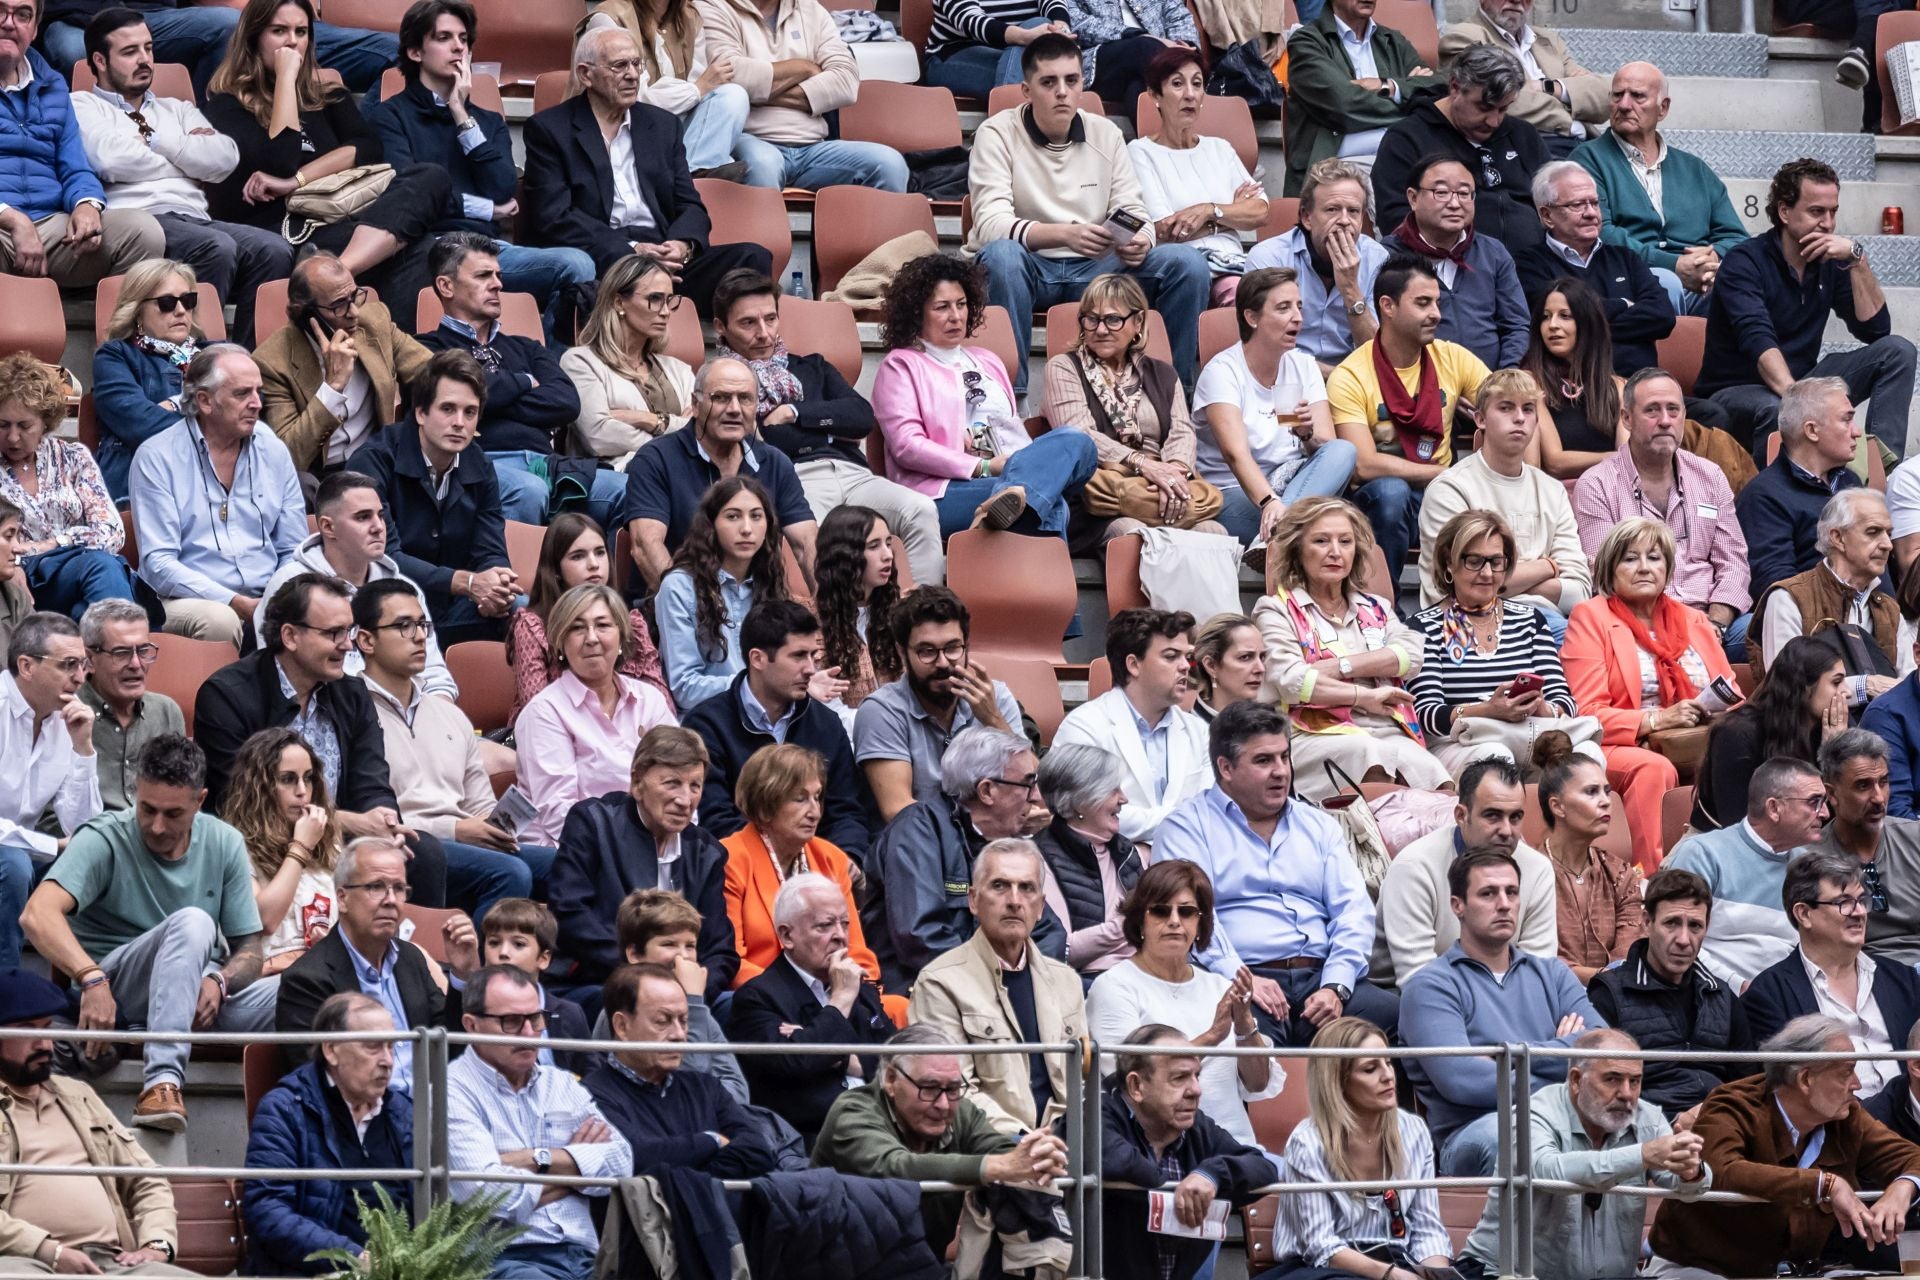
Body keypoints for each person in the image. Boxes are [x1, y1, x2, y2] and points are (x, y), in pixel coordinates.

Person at [196, 572, 530, 919]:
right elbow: (244, 804)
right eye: (333, 634)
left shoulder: (349, 692)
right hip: (266, 841)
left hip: (342, 840)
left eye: (349, 631)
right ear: (290, 636)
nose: (347, 644)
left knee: (422, 852)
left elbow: (371, 778)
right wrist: (351, 822)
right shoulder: (228, 695)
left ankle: (411, 961)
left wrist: (384, 818)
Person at [20, 735, 274, 1132]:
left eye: (172, 814)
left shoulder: (225, 842)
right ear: (136, 793)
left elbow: (251, 949)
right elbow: (37, 915)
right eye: (147, 809)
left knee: (311, 992)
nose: (156, 826)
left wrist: (220, 981)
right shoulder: (104, 836)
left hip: (197, 997)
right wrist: (91, 977)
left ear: (200, 800)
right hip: (119, 988)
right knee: (196, 923)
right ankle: (162, 1084)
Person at [966, 34, 1209, 393]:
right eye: (1049, 82)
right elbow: (989, 225)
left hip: (1097, 268)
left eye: (1071, 81)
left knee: (1186, 263)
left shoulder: (1105, 132)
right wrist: (1065, 234)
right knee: (1001, 256)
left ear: (1082, 83)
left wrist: (1140, 240)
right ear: (1026, 89)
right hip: (1029, 268)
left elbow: (1133, 210)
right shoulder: (996, 133)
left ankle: (1174, 395)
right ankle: (1010, 398)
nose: (1062, 92)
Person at [1156, 699, 1401, 1041]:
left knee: (1404, 1018)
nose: (1281, 771)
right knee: (1247, 1042)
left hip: (1322, 980)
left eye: (1284, 757)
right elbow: (1186, 919)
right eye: (1263, 760)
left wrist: (1337, 985)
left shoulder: (1318, 825)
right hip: (1240, 980)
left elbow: (1353, 912)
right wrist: (1242, 979)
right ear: (1225, 768)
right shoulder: (1185, 829)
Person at [202, 0, 449, 334]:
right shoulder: (227, 106)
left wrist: (295, 181)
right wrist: (287, 79)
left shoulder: (329, 97)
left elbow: (367, 149)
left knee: (431, 176)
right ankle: (390, 362)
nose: (292, 42)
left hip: (345, 222)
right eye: (279, 31)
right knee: (419, 247)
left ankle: (335, 273)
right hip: (287, 231)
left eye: (301, 32)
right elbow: (281, 156)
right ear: (253, 39)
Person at [364, 0, 597, 322]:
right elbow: (410, 197)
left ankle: (543, 362)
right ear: (416, 52)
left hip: (488, 247)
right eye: (444, 38)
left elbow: (502, 188)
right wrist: (486, 209)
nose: (458, 47)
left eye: (463, 39)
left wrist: (461, 115)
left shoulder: (485, 121)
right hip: (429, 247)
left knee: (578, 265)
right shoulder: (389, 117)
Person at [710, 270, 944, 588]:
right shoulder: (722, 382)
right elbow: (766, 440)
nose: (764, 334)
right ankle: (838, 626)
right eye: (748, 323)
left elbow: (861, 417)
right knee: (813, 538)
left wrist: (795, 412)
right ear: (721, 327)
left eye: (770, 319)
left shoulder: (812, 366)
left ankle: (920, 616)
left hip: (854, 474)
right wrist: (830, 428)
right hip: (793, 479)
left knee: (920, 509)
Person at [73, 8, 291, 348]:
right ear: (100, 61)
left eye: (148, 48)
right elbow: (110, 159)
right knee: (216, 248)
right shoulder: (82, 105)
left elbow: (224, 158)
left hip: (194, 217)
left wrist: (154, 141)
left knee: (274, 250)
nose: (145, 59)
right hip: (140, 220)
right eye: (130, 52)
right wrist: (189, 156)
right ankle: (197, 366)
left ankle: (245, 363)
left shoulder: (176, 108)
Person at [520, 24, 774, 315]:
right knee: (613, 267)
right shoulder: (550, 129)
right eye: (619, 66)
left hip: (664, 252)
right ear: (585, 74)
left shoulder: (662, 125)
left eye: (636, 64)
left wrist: (682, 245)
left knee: (752, 257)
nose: (631, 75)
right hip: (605, 255)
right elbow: (554, 217)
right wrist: (632, 249)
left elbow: (689, 204)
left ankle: (749, 357)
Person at [1646, 1013, 1920, 1279]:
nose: (1857, 1085)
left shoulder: (1847, 1117)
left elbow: (1912, 1157)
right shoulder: (1732, 1104)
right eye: (1846, 1072)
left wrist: (1903, 1187)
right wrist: (1823, 1184)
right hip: (1699, 1269)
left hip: (1794, 1272)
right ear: (1805, 1079)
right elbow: (1717, 1171)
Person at [1401, 847, 1605, 1176]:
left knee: (1635, 1121)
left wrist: (1502, 1057)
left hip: (1560, 1117)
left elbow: (1602, 1048)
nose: (1504, 903)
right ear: (1458, 906)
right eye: (1488, 893)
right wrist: (1563, 1059)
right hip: (1472, 1132)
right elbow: (1465, 1082)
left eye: (1512, 892)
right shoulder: (1429, 986)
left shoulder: (1551, 973)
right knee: (1512, 1136)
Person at [1698, 157, 1915, 459]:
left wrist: (1856, 260)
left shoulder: (1830, 260)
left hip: (1804, 379)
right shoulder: (1744, 261)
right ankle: (1775, 499)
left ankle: (1882, 469)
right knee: (1776, 409)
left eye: (1833, 212)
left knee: (1897, 351)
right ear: (1785, 211)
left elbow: (1875, 330)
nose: (1827, 223)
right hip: (1738, 388)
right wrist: (1798, 400)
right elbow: (1758, 338)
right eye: (1816, 212)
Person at [873, 252, 1100, 536]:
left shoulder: (988, 360)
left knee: (1076, 441)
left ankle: (1015, 496)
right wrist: (983, 466)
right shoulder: (901, 366)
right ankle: (1020, 508)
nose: (956, 316)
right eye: (942, 307)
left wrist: (1011, 469)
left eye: (962, 304)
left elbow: (1010, 429)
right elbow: (907, 447)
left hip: (1007, 474)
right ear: (917, 312)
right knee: (1051, 507)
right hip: (941, 490)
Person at [416, 233, 628, 531]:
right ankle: (511, 578)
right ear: (446, 285)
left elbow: (566, 403)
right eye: (483, 275)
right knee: (529, 490)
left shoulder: (526, 346)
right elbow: (458, 397)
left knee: (629, 490)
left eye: (498, 275)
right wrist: (525, 382)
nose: (498, 284)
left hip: (548, 463)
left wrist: (491, 398)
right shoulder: (426, 348)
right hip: (475, 464)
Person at [1459, 1028, 1710, 1280]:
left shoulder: (1648, 1118)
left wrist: (1691, 1172)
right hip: (1506, 1274)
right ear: (1576, 1080)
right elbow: (1549, 1172)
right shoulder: (1533, 1112)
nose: (1626, 1093)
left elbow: (1689, 1189)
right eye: (1612, 1079)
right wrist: (1642, 1155)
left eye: (1635, 1081)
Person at [1562, 518, 1739, 874]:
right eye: (1630, 558)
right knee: (1652, 767)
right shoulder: (1590, 617)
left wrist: (1712, 712)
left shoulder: (1694, 620)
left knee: (1749, 747)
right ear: (1611, 568)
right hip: (1621, 746)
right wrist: (1656, 719)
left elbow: (1732, 693)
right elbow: (1587, 713)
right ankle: (1654, 879)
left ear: (1668, 568)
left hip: (1696, 737)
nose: (1644, 567)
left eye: (1654, 558)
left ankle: (1735, 873)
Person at [357, 579, 554, 898]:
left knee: (566, 865)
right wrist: (457, 830)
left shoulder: (448, 714)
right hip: (404, 846)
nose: (420, 636)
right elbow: (370, 814)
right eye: (404, 626)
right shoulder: (351, 712)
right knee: (509, 873)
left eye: (423, 624)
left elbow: (480, 804)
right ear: (366, 640)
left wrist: (494, 828)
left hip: (463, 840)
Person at [812, 1024, 1068, 1257]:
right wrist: (999, 1166)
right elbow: (895, 1167)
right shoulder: (852, 1110)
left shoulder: (962, 1111)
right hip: (835, 1263)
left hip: (917, 1262)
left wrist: (1035, 1156)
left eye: (953, 1089)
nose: (944, 1104)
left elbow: (1002, 1151)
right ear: (891, 1080)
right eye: (930, 1088)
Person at [445, 964, 633, 1280]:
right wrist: (575, 1173)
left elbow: (621, 1162)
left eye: (535, 1019)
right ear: (471, 1025)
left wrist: (534, 1159)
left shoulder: (561, 1084)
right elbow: (486, 1197)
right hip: (503, 1260)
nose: (531, 1034)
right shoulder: (451, 1090)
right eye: (512, 1022)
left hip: (586, 1256)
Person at [0, 966, 191, 1277]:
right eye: (27, 1030)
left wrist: (157, 1246)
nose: (45, 1044)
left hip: (111, 1262)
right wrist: (50, 1251)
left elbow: (146, 1179)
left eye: (47, 1028)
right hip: (20, 1261)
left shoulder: (77, 1094)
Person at [1253, 496, 1449, 798]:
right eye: (1321, 541)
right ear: (1298, 549)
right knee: (1368, 755)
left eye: (1345, 541)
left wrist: (1340, 667)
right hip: (1310, 733)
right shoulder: (1276, 609)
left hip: (1384, 729)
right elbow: (1294, 682)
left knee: (1436, 777)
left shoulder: (1377, 607)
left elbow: (1410, 656)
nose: (1335, 552)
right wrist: (1365, 695)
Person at [1087, 860, 1281, 1151]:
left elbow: (1257, 1084)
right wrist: (1211, 1038)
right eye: (1161, 911)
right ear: (1139, 920)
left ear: (1200, 925)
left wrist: (1244, 1028)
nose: (1175, 921)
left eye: (1187, 912)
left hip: (1234, 1149)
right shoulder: (1113, 986)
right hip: (1158, 1153)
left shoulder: (1218, 986)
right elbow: (1129, 1079)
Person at [862, 725, 1066, 989]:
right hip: (926, 996)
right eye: (1028, 783)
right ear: (986, 791)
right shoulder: (917, 833)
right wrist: (997, 981)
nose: (1037, 797)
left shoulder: (1007, 846)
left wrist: (1021, 981)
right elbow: (921, 937)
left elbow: (1049, 932)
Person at [1328, 258, 1491, 588]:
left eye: (1437, 303)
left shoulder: (1453, 357)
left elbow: (1512, 400)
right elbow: (1363, 465)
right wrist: (1447, 474)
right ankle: (1380, 604)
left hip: (1442, 495)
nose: (1436, 314)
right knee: (1391, 492)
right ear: (1387, 306)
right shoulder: (1351, 375)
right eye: (1423, 303)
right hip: (1376, 504)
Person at [128, 344, 304, 646]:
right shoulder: (157, 457)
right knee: (220, 621)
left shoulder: (272, 449)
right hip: (183, 600)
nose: (257, 403)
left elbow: (293, 548)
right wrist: (234, 601)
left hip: (268, 594)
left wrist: (278, 597)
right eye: (242, 394)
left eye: (258, 391)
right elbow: (159, 565)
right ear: (205, 401)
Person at [909, 838, 1086, 1133]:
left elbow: (1082, 1083)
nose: (1015, 900)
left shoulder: (1067, 981)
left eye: (1027, 888)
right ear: (973, 900)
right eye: (1000, 886)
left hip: (1069, 1146)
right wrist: (1024, 1140)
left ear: (1041, 907)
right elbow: (954, 1093)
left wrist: (1068, 1136)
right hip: (993, 1150)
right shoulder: (940, 981)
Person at [347, 351, 520, 645]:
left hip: (454, 607)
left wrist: (496, 585)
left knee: (521, 612)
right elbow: (384, 557)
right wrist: (466, 583)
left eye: (470, 412)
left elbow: (489, 549)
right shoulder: (374, 461)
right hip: (385, 608)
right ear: (420, 413)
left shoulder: (479, 464)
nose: (459, 423)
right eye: (448, 409)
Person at [1573, 368, 1751, 654]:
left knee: (1762, 632)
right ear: (1627, 419)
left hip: (1715, 624)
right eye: (1652, 411)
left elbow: (1733, 562)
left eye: (1673, 410)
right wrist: (1679, 625)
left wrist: (1716, 622)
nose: (1665, 421)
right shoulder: (1596, 484)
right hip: (1637, 624)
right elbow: (1603, 574)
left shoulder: (1710, 475)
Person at [1040, 273, 1226, 544]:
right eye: (1091, 319)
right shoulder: (1064, 367)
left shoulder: (1163, 373)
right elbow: (1079, 436)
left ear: (1138, 322)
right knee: (1134, 533)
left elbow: (1182, 434)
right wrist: (1141, 464)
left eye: (1113, 319)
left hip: (1160, 490)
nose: (1100, 329)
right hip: (1101, 496)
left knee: (1214, 534)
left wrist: (1172, 475)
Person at [548, 726, 736, 993]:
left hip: (684, 992)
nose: (685, 800)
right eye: (672, 783)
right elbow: (569, 914)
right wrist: (642, 973)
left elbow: (720, 950)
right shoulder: (593, 823)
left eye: (695, 786)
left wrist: (696, 990)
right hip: (601, 980)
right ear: (637, 783)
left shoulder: (707, 852)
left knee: (732, 1006)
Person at [272, 833, 476, 1076]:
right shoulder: (307, 980)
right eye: (376, 887)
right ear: (342, 898)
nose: (391, 900)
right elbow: (318, 1083)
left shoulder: (411, 959)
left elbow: (449, 1049)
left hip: (429, 1106)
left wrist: (463, 975)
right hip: (367, 1111)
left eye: (399, 888)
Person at [1265, 1017, 1452, 1280]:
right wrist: (1394, 1277)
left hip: (1399, 1261)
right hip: (1326, 1269)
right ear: (1337, 1081)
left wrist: (1436, 1274)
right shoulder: (1308, 1142)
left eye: (1388, 1062)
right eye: (1370, 1069)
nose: (1388, 1075)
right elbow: (1320, 1247)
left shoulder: (1413, 1130)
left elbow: (1427, 1229)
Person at [1408, 511, 1593, 775]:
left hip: (1530, 734)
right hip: (1460, 743)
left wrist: (1540, 706)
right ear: (1449, 563)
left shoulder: (1530, 620)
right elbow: (1426, 714)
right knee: (1495, 757)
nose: (1486, 573)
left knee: (1589, 754)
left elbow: (1566, 702)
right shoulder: (1423, 627)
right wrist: (1488, 711)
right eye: (1474, 561)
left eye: (1496, 562)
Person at [242, 994, 414, 1277]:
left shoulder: (403, 1112)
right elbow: (268, 1212)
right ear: (332, 1050)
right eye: (373, 1046)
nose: (387, 1061)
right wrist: (354, 1257)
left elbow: (438, 1210)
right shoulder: (287, 1108)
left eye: (391, 1047)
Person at [1187, 267, 1360, 546]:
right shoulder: (1223, 371)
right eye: (1283, 308)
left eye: (1299, 307)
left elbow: (1328, 448)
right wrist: (1269, 502)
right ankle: (1288, 532)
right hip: (1237, 494)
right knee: (1322, 525)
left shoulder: (1303, 365)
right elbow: (1235, 454)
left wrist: (1306, 434)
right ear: (1251, 317)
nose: (1298, 317)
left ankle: (1278, 536)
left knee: (1344, 450)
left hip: (1295, 485)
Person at [681, 599, 868, 855]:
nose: (811, 670)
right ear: (757, 659)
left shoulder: (825, 724)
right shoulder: (708, 725)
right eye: (798, 656)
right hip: (744, 873)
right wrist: (786, 864)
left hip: (823, 873)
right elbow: (716, 820)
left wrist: (844, 861)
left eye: (813, 656)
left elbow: (847, 813)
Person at [621, 357, 818, 594]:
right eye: (721, 398)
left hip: (756, 614)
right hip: (677, 613)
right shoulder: (655, 459)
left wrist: (834, 617)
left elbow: (807, 545)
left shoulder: (775, 463)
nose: (734, 409)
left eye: (745, 398)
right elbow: (646, 547)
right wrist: (696, 609)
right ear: (695, 404)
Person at [0, 0, 162, 285]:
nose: (10, 22)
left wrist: (86, 205)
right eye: (0, 10)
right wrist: (12, 219)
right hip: (3, 227)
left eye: (23, 14)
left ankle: (114, 328)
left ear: (35, 28)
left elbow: (75, 166)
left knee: (143, 233)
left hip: (52, 227)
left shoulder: (52, 85)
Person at [1415, 368, 1592, 630]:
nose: (1519, 418)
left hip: (1545, 624)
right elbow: (1461, 585)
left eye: (1529, 409)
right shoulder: (1450, 489)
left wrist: (1505, 584)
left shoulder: (1552, 491)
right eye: (1506, 408)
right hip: (1464, 625)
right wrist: (1547, 566)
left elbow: (1579, 591)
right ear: (1481, 419)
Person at [256, 470, 457, 699]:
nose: (378, 527)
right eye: (363, 517)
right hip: (325, 719)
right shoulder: (289, 584)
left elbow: (434, 675)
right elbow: (278, 678)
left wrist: (438, 717)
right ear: (328, 527)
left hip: (406, 720)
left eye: (380, 515)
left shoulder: (402, 588)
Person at [1571, 62, 1748, 317]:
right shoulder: (1587, 159)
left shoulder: (1695, 169)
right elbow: (1600, 232)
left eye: (1637, 96)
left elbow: (1737, 238)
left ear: (1663, 108)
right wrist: (1674, 265)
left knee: (1740, 283)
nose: (1624, 105)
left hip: (1698, 279)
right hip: (1629, 275)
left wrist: (1708, 260)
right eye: (1617, 95)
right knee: (1667, 283)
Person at [1100, 1025, 1276, 1280]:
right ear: (1136, 1085)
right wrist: (1175, 1190)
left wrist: (1211, 1175)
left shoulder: (1196, 1126)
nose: (1196, 1090)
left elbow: (1262, 1167)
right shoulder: (1094, 1117)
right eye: (1179, 1078)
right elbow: (1116, 1160)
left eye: (1196, 1076)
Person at [728, 872, 894, 1142]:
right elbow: (797, 1063)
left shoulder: (860, 989)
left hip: (883, 1128)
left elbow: (898, 1060)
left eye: (845, 923)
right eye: (825, 926)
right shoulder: (757, 998)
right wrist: (840, 1000)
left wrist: (843, 1059)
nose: (840, 936)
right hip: (813, 1141)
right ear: (787, 935)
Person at [1743, 847, 1920, 1099]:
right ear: (1803, 914)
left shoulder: (1903, 979)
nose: (1859, 912)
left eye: (1861, 900)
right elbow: (1790, 1093)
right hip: (1836, 1130)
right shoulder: (1770, 995)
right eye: (1844, 903)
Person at [513, 583, 678, 848]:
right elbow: (560, 816)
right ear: (560, 643)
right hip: (573, 853)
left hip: (650, 842)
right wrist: (636, 846)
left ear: (622, 637)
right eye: (578, 628)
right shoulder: (545, 711)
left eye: (602, 625)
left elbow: (681, 781)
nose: (591, 638)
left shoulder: (649, 700)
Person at [1373, 757, 1558, 987]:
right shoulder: (1414, 867)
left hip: (1503, 995)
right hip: (1404, 997)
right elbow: (1418, 979)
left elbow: (1538, 970)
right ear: (1461, 815)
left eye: (1515, 817)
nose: (1506, 830)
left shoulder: (1538, 869)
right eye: (1492, 816)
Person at [1587, 868, 1753, 1121]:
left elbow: (1748, 1086)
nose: (1684, 939)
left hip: (1719, 1126)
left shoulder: (1721, 995)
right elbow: (1599, 1092)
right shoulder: (1609, 993)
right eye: (1672, 923)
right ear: (1646, 922)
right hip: (1642, 1134)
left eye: (1695, 926)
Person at [582, 962, 778, 1175]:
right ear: (622, 1026)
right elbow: (635, 1157)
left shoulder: (706, 1087)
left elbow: (758, 1150)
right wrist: (711, 1141)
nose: (678, 1034)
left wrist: (692, 1179)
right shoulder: (590, 1096)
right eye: (662, 1021)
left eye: (684, 1021)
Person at [694, 0, 907, 194]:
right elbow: (731, 75)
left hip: (811, 146)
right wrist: (805, 68)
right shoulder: (712, 6)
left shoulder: (812, 10)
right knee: (764, 164)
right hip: (748, 139)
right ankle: (760, 237)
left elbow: (846, 82)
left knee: (889, 164)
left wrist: (757, 92)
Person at [719, 744, 886, 987]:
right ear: (765, 804)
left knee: (898, 1009)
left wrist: (860, 990)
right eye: (800, 799)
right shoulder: (730, 858)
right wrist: (802, 994)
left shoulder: (831, 857)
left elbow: (856, 951)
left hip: (835, 990)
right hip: (763, 996)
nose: (815, 812)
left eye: (817, 797)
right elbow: (732, 961)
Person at [853, 585, 1025, 822]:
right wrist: (980, 824)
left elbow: (1029, 786)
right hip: (917, 847)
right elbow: (899, 811)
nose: (943, 662)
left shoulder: (995, 698)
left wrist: (993, 719)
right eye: (927, 651)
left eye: (953, 648)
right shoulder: (882, 711)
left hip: (994, 844)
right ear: (902, 653)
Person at [255, 254, 431, 483]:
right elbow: (290, 455)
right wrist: (332, 387)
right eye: (339, 305)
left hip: (378, 461)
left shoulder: (374, 322)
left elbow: (433, 372)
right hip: (321, 476)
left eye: (355, 296)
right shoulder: (271, 362)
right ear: (304, 312)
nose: (354, 312)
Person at [1663, 756, 1831, 989]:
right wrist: (1737, 986)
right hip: (1711, 996)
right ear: (1774, 808)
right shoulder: (1703, 854)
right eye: (1814, 802)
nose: (1824, 812)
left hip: (1790, 998)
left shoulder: (1808, 866)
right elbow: (1673, 941)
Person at [1372, 45, 1549, 255]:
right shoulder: (1407, 139)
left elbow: (1555, 204)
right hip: (1449, 266)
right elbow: (1396, 219)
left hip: (1536, 268)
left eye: (1503, 109)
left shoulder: (1523, 134)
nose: (1494, 121)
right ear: (1455, 87)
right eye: (1483, 107)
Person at [1054, 608, 1211, 845]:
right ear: (1133, 664)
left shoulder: (1199, 732)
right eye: (1171, 656)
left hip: (1190, 869)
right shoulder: (1084, 727)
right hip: (1105, 869)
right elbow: (1091, 814)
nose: (1185, 666)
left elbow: (1212, 813)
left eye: (1185, 656)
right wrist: (1184, 821)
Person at [1127, 47, 1270, 306]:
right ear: (1154, 94)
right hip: (1183, 270)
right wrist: (1232, 215)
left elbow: (1260, 211)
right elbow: (1166, 230)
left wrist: (1209, 210)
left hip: (1233, 264)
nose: (1190, 95)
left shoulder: (1219, 148)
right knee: (1246, 300)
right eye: (1178, 84)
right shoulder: (1141, 152)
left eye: (1197, 84)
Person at [0, 614, 103, 973]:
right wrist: (52, 846)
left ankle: (87, 985)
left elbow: (85, 826)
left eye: (84, 664)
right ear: (26, 666)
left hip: (24, 854)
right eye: (68, 665)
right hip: (14, 857)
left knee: (98, 859)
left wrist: (83, 749)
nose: (80, 676)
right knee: (11, 863)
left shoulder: (65, 718)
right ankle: (9, 995)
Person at [0, 354, 133, 620]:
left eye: (25, 426)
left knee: (84, 611)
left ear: (45, 421)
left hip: (77, 572)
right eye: (2, 425)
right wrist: (11, 565)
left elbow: (111, 531)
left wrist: (53, 544)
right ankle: (128, 645)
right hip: (23, 578)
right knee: (102, 567)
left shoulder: (72, 457)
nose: (13, 437)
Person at [1514, 161, 1677, 377]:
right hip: (1575, 391)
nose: (1591, 213)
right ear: (1547, 215)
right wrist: (1623, 305)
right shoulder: (1529, 265)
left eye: (1594, 202)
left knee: (1710, 412)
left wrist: (1584, 324)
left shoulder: (1625, 257)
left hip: (1641, 389)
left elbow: (1663, 317)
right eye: (1577, 205)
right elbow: (1557, 326)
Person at [510, 514, 671, 721]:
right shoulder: (533, 626)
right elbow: (537, 714)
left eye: (600, 552)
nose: (594, 564)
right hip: (556, 741)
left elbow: (663, 705)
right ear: (556, 570)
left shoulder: (632, 625)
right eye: (578, 556)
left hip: (631, 741)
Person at [654, 477, 795, 709]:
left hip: (771, 713)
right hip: (712, 721)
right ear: (711, 525)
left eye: (756, 516)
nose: (747, 529)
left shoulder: (770, 581)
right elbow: (685, 688)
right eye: (733, 516)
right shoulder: (679, 586)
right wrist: (760, 687)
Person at [595, 888, 749, 1100]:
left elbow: (739, 1092)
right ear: (634, 954)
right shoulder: (625, 1008)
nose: (683, 957)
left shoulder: (697, 1010)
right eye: (669, 944)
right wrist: (693, 1003)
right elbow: (683, 1096)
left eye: (690, 946)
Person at [1381, 155, 1531, 369]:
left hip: (1493, 387)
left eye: (1464, 193)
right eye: (1441, 193)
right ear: (1413, 198)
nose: (1454, 203)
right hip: (1421, 389)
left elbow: (1516, 325)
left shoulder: (1493, 252)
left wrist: (1505, 377)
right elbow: (1386, 334)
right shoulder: (1388, 257)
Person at [1280, 0, 1439, 195]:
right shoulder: (1307, 43)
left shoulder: (1391, 40)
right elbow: (1344, 105)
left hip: (1404, 155)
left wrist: (1388, 86)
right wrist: (1411, 108)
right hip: (1336, 164)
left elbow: (1438, 90)